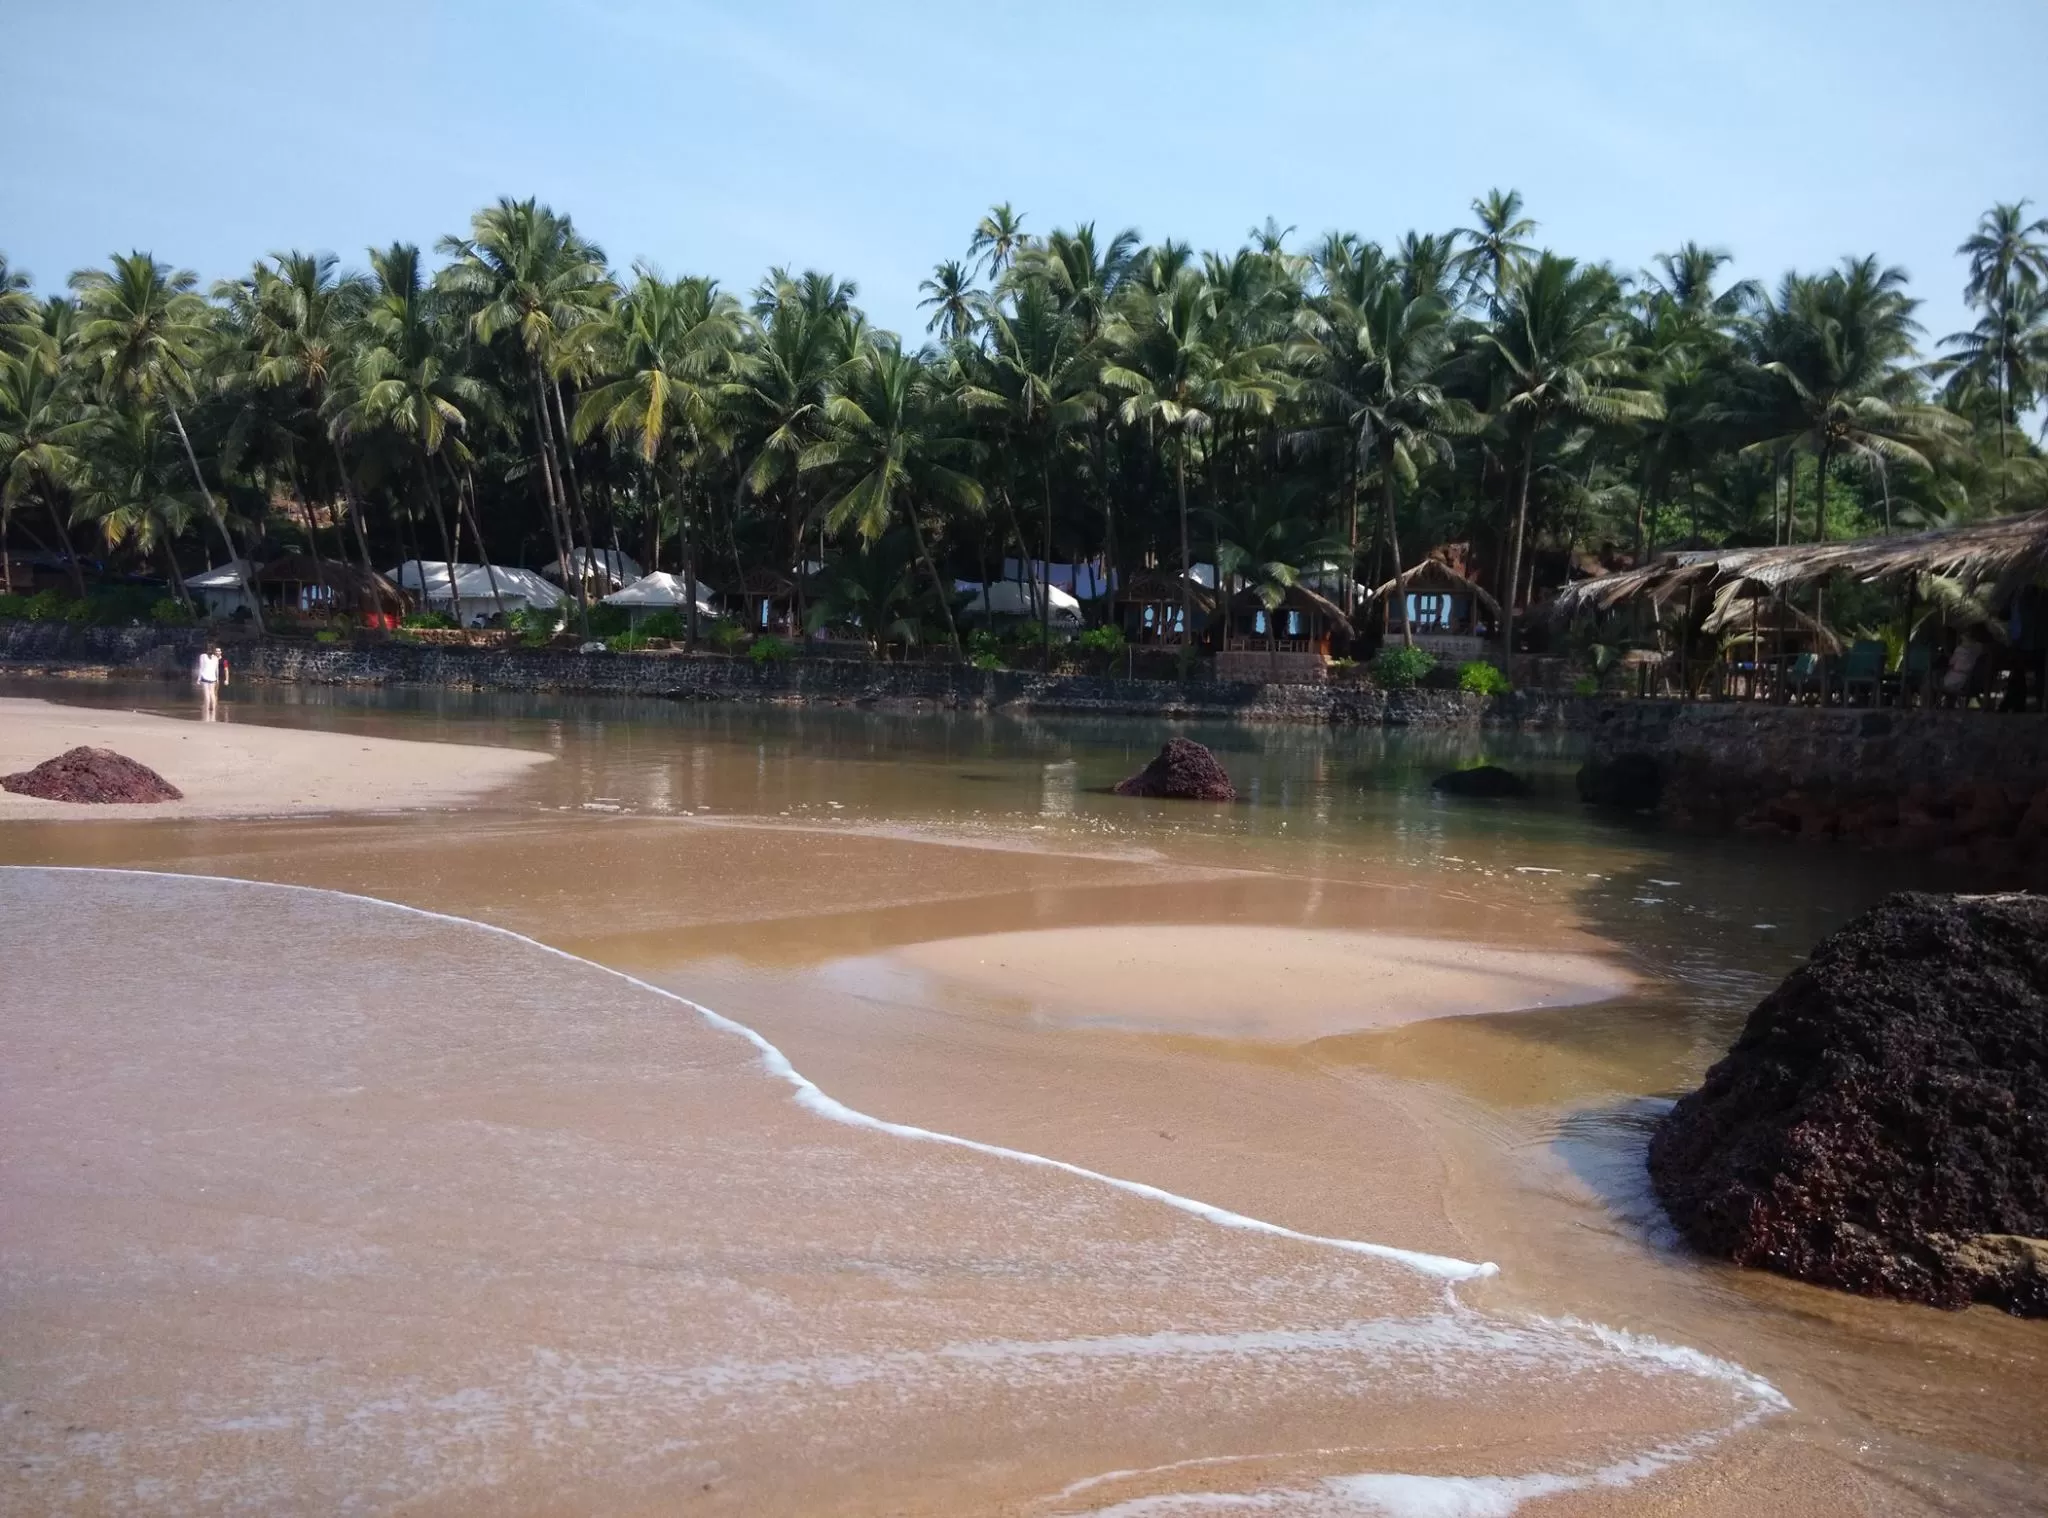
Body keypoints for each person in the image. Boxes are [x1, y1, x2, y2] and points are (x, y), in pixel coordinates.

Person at [196, 642, 224, 720]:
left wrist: (198, 679)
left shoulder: (202, 656)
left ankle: (207, 709)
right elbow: (216, 669)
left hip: (205, 677)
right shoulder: (216, 658)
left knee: (207, 694)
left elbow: (201, 668)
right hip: (213, 678)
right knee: (212, 694)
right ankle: (214, 710)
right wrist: (217, 678)